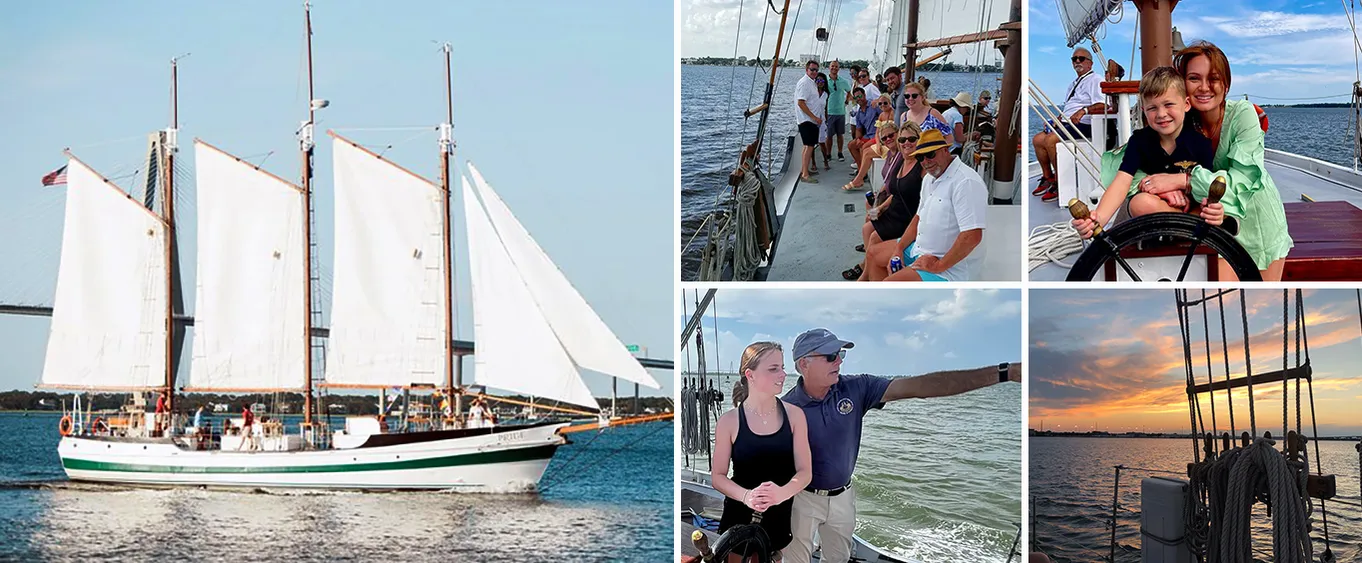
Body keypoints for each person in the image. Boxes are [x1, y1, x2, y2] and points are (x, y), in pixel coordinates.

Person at [780, 328, 1020, 562]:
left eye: (841, 355)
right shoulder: (785, 409)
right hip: (802, 497)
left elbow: (921, 387)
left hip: (843, 496)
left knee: (839, 558)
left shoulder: (856, 388)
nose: (839, 362)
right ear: (804, 364)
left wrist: (1002, 373)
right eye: (831, 356)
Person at [1125, 41, 1293, 281]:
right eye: (1194, 78)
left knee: (1262, 302)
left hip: (1255, 222)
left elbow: (1240, 181)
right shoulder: (1176, 117)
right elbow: (1132, 165)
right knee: (1223, 302)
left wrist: (1184, 180)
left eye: (1213, 78)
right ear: (1182, 85)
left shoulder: (1243, 115)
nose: (1204, 87)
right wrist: (1159, 188)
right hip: (1209, 219)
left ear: (1225, 85)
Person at [1072, 66, 1223, 242]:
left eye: (1168, 104)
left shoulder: (1200, 145)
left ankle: (1182, 226)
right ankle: (1182, 226)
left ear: (1186, 104)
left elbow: (1205, 188)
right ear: (1143, 110)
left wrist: (1211, 209)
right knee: (1141, 203)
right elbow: (1122, 182)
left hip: (1191, 210)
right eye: (1152, 108)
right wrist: (1097, 219)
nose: (1161, 114)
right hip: (1156, 208)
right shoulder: (1139, 141)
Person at [711, 342, 812, 562]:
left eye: (782, 367)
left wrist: (782, 493)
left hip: (779, 517)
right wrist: (746, 496)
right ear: (751, 374)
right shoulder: (729, 422)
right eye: (773, 368)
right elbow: (717, 476)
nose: (784, 374)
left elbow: (805, 472)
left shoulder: (795, 416)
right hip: (737, 516)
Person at [867, 128, 987, 282]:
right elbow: (918, 217)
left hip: (950, 268)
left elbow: (972, 236)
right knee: (873, 254)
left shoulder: (966, 182)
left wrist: (939, 266)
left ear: (945, 150)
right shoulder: (929, 179)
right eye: (920, 157)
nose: (925, 161)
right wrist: (899, 248)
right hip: (920, 249)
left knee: (889, 284)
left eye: (930, 154)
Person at [844, 121, 923, 281]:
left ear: (919, 140)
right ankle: (866, 267)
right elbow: (895, 191)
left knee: (872, 235)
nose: (906, 143)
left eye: (911, 139)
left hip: (906, 218)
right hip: (896, 210)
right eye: (902, 140)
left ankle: (865, 272)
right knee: (868, 227)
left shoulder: (921, 167)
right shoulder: (901, 161)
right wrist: (880, 208)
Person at [1032, 46, 1105, 202]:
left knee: (1050, 140)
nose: (1077, 61)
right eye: (1074, 59)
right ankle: (1048, 177)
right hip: (1069, 123)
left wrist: (1084, 110)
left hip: (1085, 125)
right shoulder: (1073, 83)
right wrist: (1057, 119)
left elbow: (1103, 104)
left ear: (1090, 64)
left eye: (1081, 59)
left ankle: (1060, 183)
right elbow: (1070, 107)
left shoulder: (1095, 80)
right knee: (1038, 139)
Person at [842, 96, 897, 191]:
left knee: (867, 153)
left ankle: (859, 179)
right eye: (880, 104)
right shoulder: (881, 115)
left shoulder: (894, 114)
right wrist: (879, 144)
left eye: (885, 103)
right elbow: (877, 132)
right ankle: (861, 175)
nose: (882, 105)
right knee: (865, 149)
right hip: (883, 142)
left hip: (891, 144)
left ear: (890, 102)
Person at [794, 60, 824, 183]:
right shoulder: (805, 83)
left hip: (810, 120)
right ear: (806, 70)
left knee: (807, 146)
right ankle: (805, 175)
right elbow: (801, 102)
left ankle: (804, 169)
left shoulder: (811, 82)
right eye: (812, 69)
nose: (814, 72)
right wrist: (814, 117)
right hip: (807, 120)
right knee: (809, 146)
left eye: (816, 70)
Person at [845, 87, 878, 179]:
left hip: (877, 136)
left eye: (860, 96)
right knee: (852, 145)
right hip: (868, 136)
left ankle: (861, 175)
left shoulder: (873, 105)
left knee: (863, 147)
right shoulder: (859, 113)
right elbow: (858, 129)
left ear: (864, 95)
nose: (858, 99)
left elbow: (885, 111)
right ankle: (861, 170)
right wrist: (858, 139)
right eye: (856, 97)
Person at [825, 60, 853, 162]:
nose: (834, 68)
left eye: (836, 67)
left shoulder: (843, 81)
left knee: (840, 134)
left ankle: (840, 153)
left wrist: (846, 101)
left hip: (840, 112)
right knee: (829, 135)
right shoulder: (825, 80)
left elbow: (849, 91)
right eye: (832, 66)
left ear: (839, 68)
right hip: (829, 111)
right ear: (829, 67)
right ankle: (828, 154)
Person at [814, 72, 832, 171]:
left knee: (821, 142)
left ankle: (825, 161)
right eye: (818, 80)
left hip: (822, 120)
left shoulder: (825, 94)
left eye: (822, 81)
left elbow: (825, 108)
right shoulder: (812, 92)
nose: (820, 82)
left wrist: (827, 120)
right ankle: (813, 163)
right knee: (811, 144)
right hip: (812, 119)